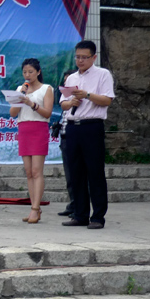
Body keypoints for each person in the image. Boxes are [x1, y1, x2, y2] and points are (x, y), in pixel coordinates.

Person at [60, 40, 115, 229]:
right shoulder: (71, 78)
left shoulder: (103, 74)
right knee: (76, 172)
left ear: (94, 57)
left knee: (95, 172)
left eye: (84, 57)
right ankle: (80, 214)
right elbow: (63, 103)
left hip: (92, 126)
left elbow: (107, 100)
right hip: (73, 126)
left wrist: (87, 95)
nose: (80, 61)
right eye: (77, 57)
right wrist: (70, 103)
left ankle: (98, 217)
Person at [9, 58, 54, 224]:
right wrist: (21, 96)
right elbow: (13, 113)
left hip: (39, 129)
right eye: (25, 72)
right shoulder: (20, 89)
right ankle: (34, 207)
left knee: (36, 171)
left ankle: (35, 208)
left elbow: (47, 112)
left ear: (38, 72)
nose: (27, 75)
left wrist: (31, 103)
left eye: (30, 72)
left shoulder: (46, 89)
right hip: (24, 129)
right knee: (28, 172)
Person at [57, 69, 78, 217]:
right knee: (69, 175)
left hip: (76, 137)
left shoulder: (79, 98)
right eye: (65, 82)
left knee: (78, 175)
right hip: (64, 138)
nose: (66, 84)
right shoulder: (65, 99)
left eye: (69, 81)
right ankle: (73, 204)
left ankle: (79, 207)